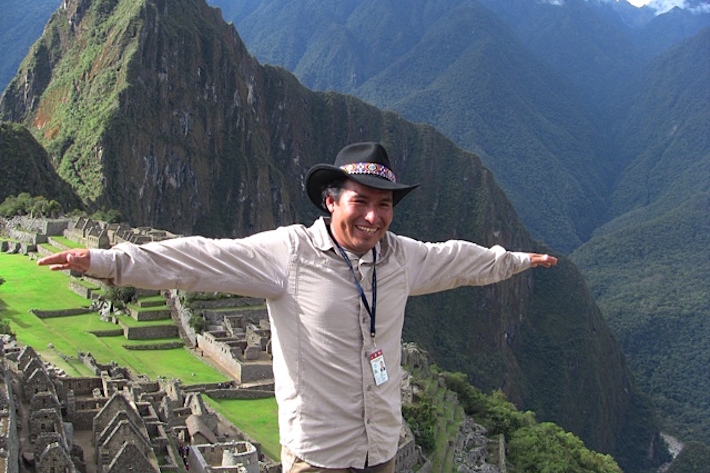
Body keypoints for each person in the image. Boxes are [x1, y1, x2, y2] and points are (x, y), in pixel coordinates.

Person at [38, 141, 557, 473]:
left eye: (385, 204)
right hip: (319, 456)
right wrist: (108, 260)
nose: (375, 217)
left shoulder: (401, 258)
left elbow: (458, 260)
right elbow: (201, 258)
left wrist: (512, 260)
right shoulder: (289, 254)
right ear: (331, 201)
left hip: (382, 452)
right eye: (362, 201)